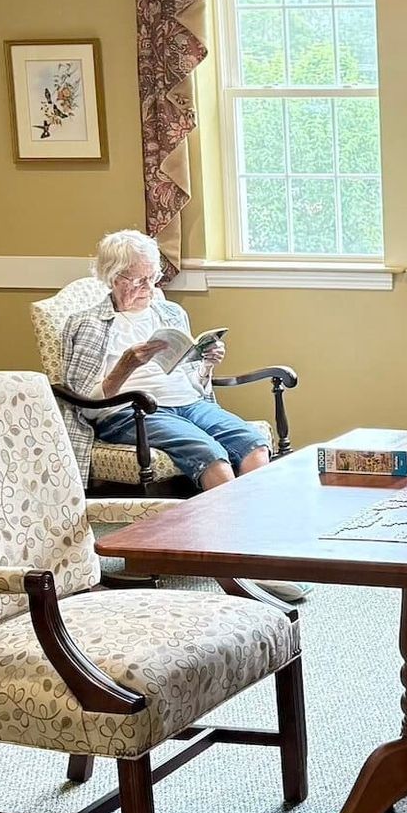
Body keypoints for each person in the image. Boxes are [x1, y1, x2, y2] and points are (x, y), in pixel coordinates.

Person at [60, 229, 304, 603]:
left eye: (153, 277)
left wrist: (206, 364)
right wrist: (124, 367)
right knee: (211, 456)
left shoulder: (170, 313)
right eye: (139, 280)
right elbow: (82, 400)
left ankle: (261, 551)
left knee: (253, 444)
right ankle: (239, 569)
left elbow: (191, 380)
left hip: (189, 402)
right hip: (131, 411)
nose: (150, 287)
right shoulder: (87, 325)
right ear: (114, 277)